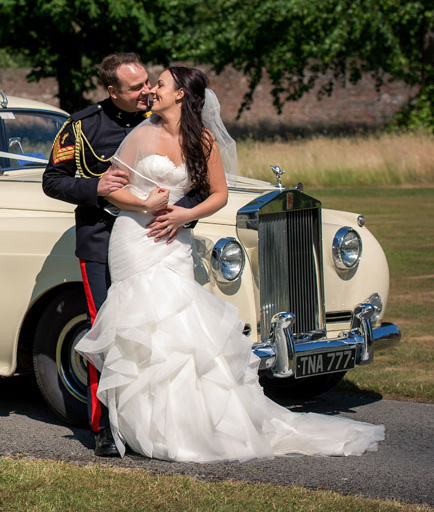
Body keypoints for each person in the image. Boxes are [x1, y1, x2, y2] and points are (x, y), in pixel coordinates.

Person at [74, 66, 385, 462]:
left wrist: (183, 216)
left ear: (181, 95)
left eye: (161, 84)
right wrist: (144, 204)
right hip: (135, 238)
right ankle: (140, 425)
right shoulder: (141, 134)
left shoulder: (202, 140)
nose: (153, 90)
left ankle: (189, 424)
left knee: (180, 324)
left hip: (174, 239)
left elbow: (218, 194)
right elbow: (112, 189)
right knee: (139, 323)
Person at [42, 53, 204, 456]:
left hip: (158, 241)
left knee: (158, 331)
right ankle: (105, 428)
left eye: (148, 82)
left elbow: (197, 181)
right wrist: (94, 187)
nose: (146, 91)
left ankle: (156, 421)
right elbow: (52, 180)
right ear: (112, 91)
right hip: (101, 241)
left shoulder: (168, 118)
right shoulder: (82, 126)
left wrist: (185, 216)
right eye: (135, 88)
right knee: (107, 332)